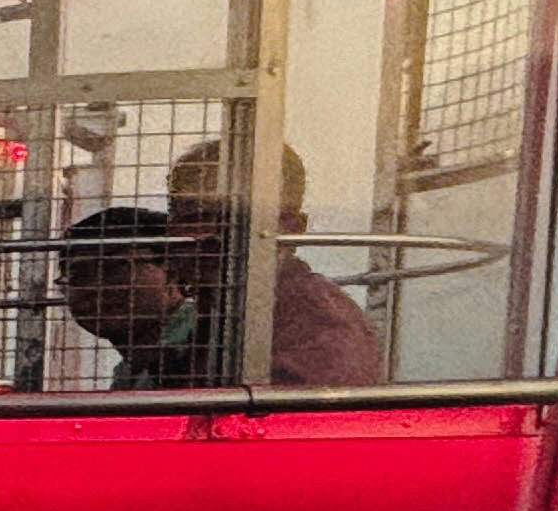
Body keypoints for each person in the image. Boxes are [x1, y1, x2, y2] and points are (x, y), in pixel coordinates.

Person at [162, 141, 385, 387]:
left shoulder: (320, 326)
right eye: (196, 216)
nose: (218, 234)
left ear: (294, 229)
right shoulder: (220, 308)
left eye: (246, 219)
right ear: (173, 227)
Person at [57, 206, 210, 388]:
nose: (97, 287)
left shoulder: (207, 343)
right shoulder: (129, 376)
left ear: (172, 271)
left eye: (114, 268)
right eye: (80, 276)